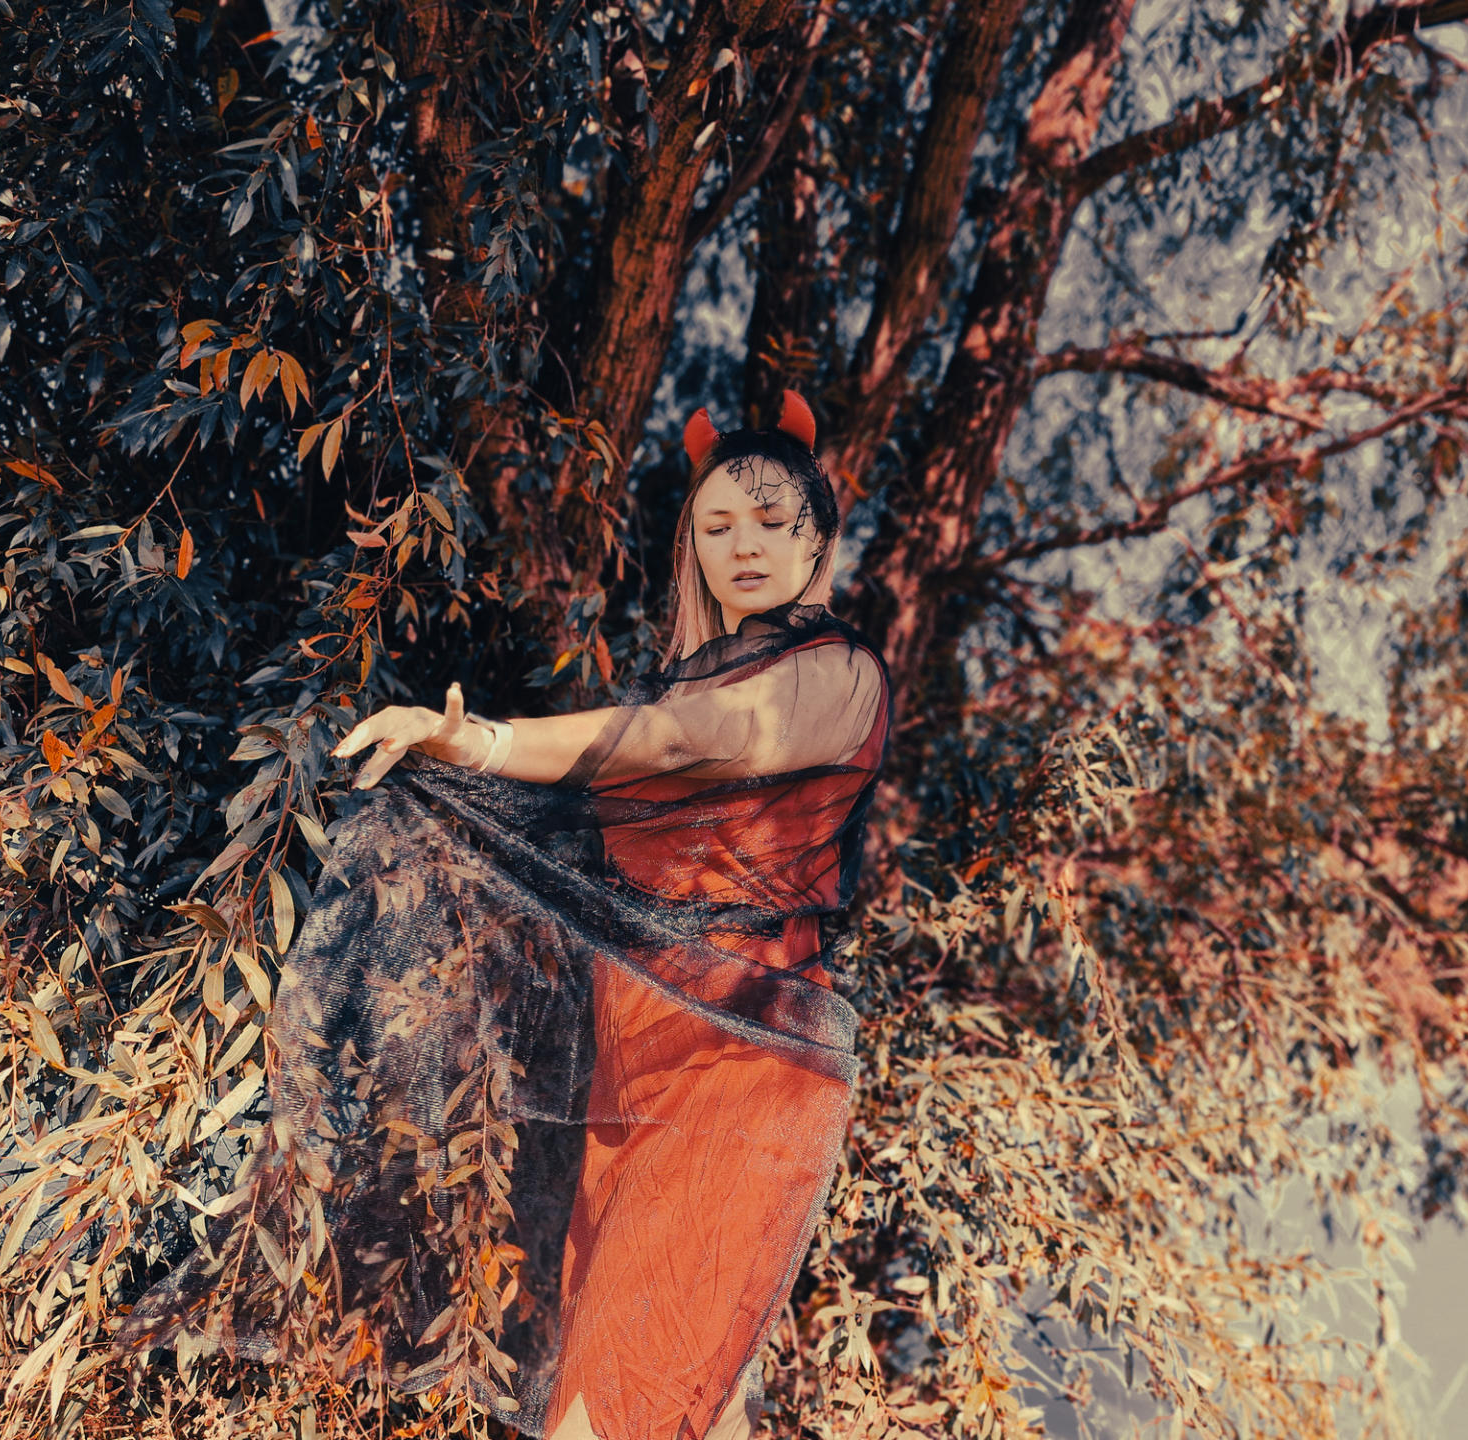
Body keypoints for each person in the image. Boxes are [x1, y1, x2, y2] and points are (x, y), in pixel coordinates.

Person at [114, 390, 893, 1440]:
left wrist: (479, 743)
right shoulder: (687, 680)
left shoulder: (838, 676)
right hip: (634, 1056)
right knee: (686, 1400)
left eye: (769, 520)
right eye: (715, 525)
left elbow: (677, 739)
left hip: (738, 1056)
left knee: (619, 1396)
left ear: (817, 540)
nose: (742, 545)